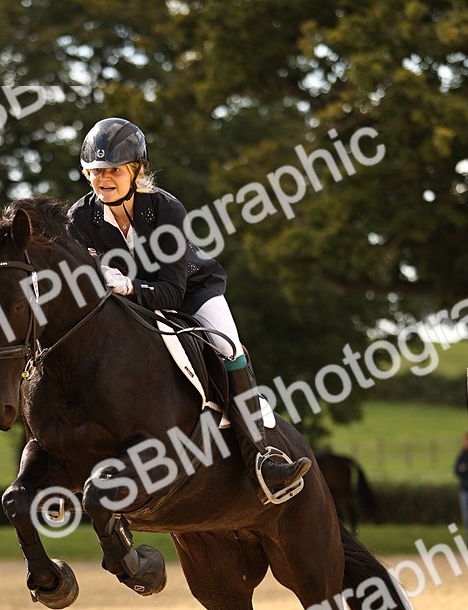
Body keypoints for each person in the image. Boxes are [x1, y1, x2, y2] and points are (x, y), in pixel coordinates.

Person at [66, 117, 311, 504]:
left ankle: (261, 458)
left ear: (137, 170)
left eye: (113, 170)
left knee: (227, 345)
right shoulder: (80, 218)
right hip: (128, 305)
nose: (103, 179)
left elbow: (170, 292)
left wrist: (128, 285)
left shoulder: (166, 209)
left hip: (191, 291)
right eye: (95, 171)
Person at [453, 433, 468, 546]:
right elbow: (457, 470)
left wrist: (466, 469)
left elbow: (463, 469)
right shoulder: (462, 455)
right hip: (466, 491)